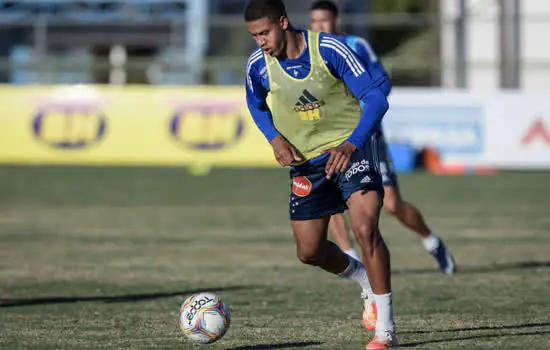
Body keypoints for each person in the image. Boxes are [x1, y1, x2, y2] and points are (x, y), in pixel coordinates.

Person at [244, 0, 397, 347]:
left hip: (350, 150)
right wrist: (274, 138)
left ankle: (385, 331)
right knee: (309, 251)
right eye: (254, 36)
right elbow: (255, 104)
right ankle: (363, 280)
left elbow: (376, 99)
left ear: (283, 22)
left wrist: (351, 144)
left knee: (364, 228)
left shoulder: (329, 50)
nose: (260, 42)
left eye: (264, 33)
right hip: (306, 163)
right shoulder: (258, 65)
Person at [310, 0, 456, 276]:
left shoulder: (356, 46)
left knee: (391, 204)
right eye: (314, 22)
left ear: (336, 22)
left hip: (367, 138)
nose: (319, 27)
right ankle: (353, 260)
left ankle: (431, 240)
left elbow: (382, 83)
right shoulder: (310, 53)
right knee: (329, 199)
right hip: (328, 140)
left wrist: (359, 110)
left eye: (324, 21)